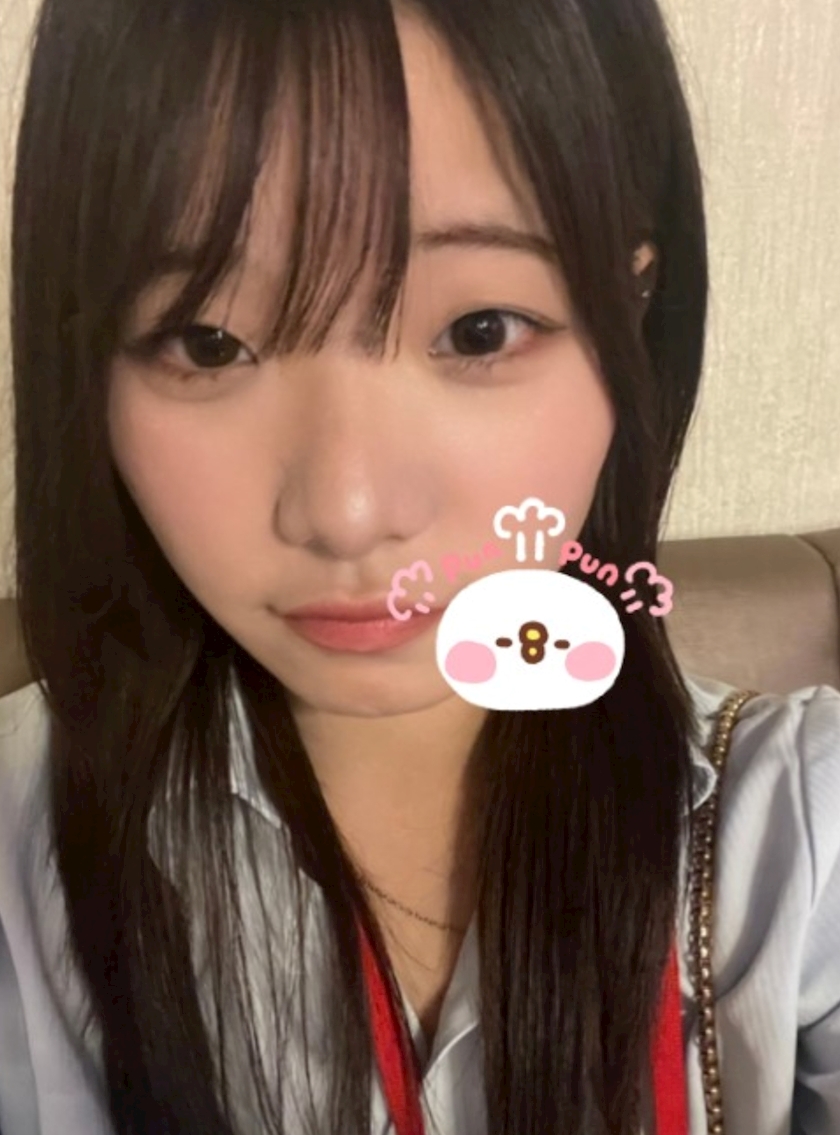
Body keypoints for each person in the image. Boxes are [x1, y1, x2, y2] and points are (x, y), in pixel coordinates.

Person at [0, 0, 838, 1132]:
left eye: (480, 329)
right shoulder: (25, 841)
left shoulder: (801, 840)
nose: (348, 514)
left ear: (633, 313)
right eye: (208, 341)